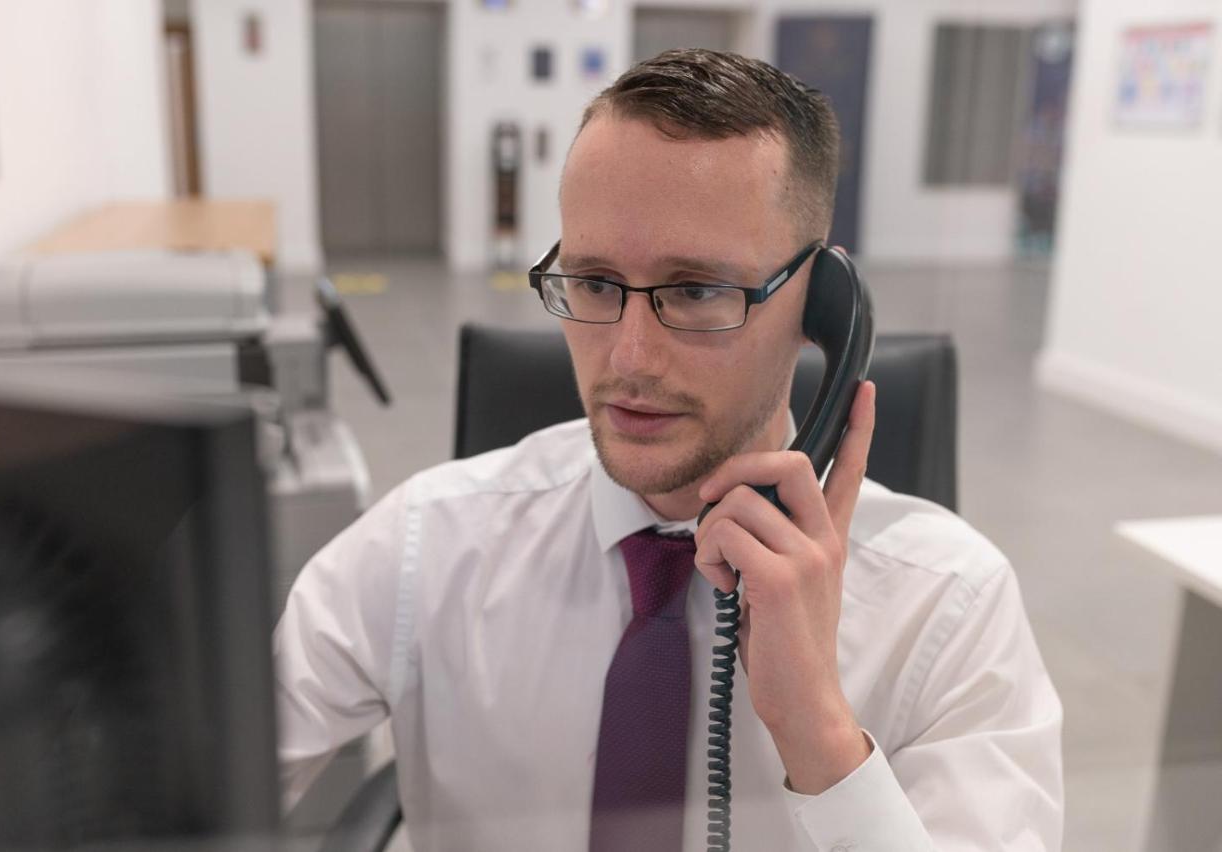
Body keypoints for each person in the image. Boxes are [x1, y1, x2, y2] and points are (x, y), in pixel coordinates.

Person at [274, 49, 1063, 851]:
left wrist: (821, 736)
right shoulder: (430, 545)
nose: (629, 359)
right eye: (593, 282)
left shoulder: (947, 607)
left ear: (822, 307)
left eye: (696, 290)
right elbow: (212, 775)